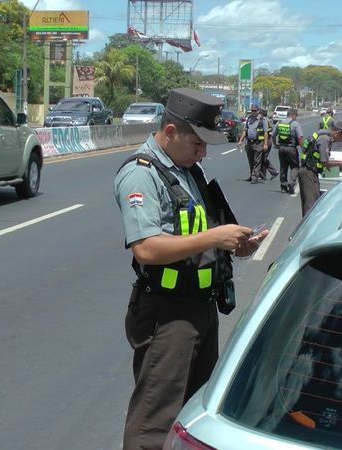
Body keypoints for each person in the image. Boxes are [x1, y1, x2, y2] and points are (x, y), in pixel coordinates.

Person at [114, 88, 268, 450]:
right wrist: (215, 237)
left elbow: (198, 232)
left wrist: (237, 245)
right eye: (197, 143)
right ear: (170, 132)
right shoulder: (142, 176)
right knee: (154, 422)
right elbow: (147, 247)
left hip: (201, 307)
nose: (203, 152)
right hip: (168, 315)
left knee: (194, 415)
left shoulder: (187, 171)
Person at [297, 121, 342, 217]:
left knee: (311, 204)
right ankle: (307, 230)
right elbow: (324, 162)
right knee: (310, 206)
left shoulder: (323, 134)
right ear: (338, 133)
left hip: (309, 172)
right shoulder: (325, 139)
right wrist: (340, 164)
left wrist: (341, 161)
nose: (341, 140)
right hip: (308, 173)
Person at [271, 108, 303, 194]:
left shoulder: (279, 123)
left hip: (281, 148)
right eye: (296, 116)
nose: (296, 118)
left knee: (283, 167)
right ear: (293, 115)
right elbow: (300, 137)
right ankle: (291, 183)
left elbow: (273, 135)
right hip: (291, 148)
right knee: (295, 166)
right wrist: (303, 149)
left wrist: (275, 145)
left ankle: (283, 186)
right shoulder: (295, 124)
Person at [237, 105, 268, 183]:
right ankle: (251, 175)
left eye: (255, 111)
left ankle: (255, 177)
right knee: (250, 160)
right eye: (252, 111)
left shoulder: (262, 120)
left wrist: (265, 144)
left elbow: (265, 133)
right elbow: (245, 130)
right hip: (249, 143)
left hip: (258, 143)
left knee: (257, 161)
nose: (253, 112)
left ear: (258, 111)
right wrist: (240, 141)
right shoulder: (249, 119)